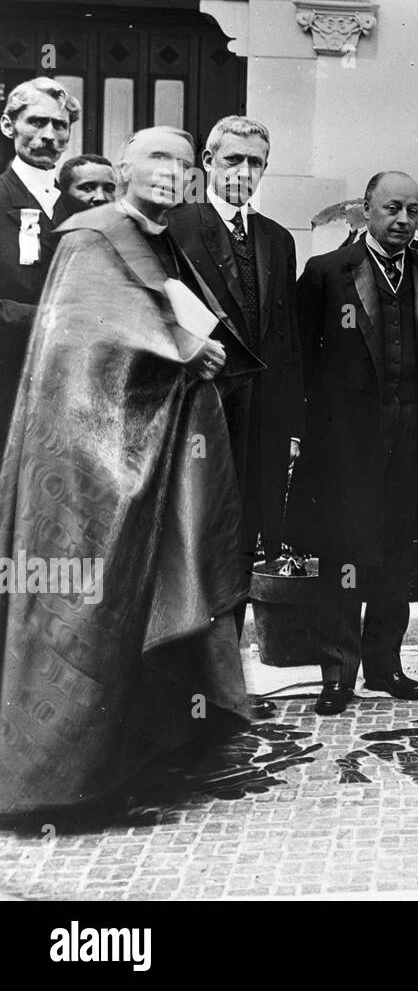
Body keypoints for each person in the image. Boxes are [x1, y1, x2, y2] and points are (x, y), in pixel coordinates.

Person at [0, 127, 256, 816]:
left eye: (182, 160)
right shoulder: (92, 237)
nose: (171, 171)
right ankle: (69, 779)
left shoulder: (162, 241)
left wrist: (194, 351)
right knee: (97, 610)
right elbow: (85, 344)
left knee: (158, 595)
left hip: (156, 455)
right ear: (123, 169)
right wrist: (180, 351)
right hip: (92, 467)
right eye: (156, 158)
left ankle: (153, 757)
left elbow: (177, 318)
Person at [286, 171, 418, 716]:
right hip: (344, 451)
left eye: (413, 210)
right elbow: (301, 360)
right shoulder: (326, 274)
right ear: (366, 210)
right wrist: (303, 435)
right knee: (343, 557)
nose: (403, 220)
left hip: (413, 446)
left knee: (395, 558)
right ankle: (338, 674)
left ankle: (385, 667)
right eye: (391, 208)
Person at [169, 117, 303, 694]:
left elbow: (288, 338)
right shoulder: (177, 227)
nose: (243, 174)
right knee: (200, 535)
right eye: (232, 161)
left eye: (255, 163)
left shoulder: (277, 238)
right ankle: (197, 681)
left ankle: (235, 677)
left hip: (265, 415)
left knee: (251, 533)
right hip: (203, 410)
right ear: (208, 162)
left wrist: (293, 421)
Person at [0, 77, 79, 448]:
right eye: (36, 121)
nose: (49, 135)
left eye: (60, 125)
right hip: (7, 375)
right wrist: (44, 318)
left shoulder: (80, 208)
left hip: (68, 382)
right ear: (7, 125)